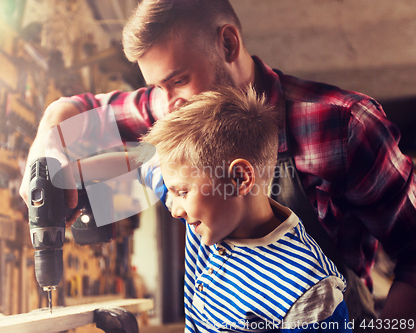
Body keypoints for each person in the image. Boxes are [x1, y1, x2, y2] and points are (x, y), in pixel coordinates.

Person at [19, 0, 416, 328]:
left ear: (228, 44)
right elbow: (75, 113)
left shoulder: (344, 125)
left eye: (178, 80)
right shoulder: (174, 107)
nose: (167, 103)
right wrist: (46, 156)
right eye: (157, 86)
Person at [138, 85, 350, 331]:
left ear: (239, 179)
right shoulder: (207, 221)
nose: (175, 210)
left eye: (183, 192)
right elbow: (140, 167)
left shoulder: (308, 291)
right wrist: (82, 177)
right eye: (171, 190)